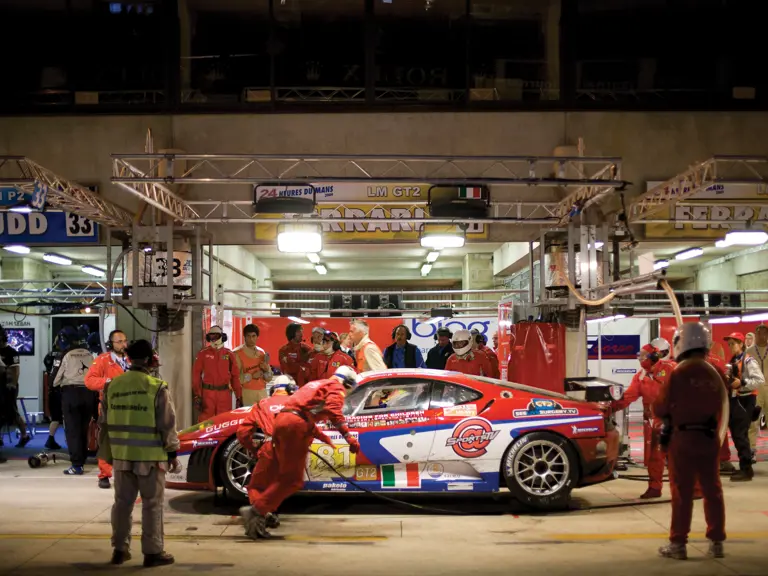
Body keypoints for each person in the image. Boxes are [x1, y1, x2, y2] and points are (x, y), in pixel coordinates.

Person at [240, 366, 361, 539]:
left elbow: (300, 411)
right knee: (292, 480)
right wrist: (348, 437)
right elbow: (334, 412)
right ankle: (256, 510)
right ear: (347, 382)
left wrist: (321, 436)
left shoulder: (316, 384)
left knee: (276, 480)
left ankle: (258, 514)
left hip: (281, 426)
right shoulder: (336, 387)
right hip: (295, 427)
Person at [100, 340, 180, 567]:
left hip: (122, 456)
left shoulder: (112, 386)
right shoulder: (156, 387)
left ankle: (119, 549)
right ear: (148, 359)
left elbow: (103, 423)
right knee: (151, 504)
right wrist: (172, 453)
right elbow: (167, 424)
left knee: (122, 504)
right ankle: (153, 552)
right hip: (150, 457)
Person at [654, 322, 727, 560]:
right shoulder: (715, 372)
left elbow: (660, 407)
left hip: (682, 439)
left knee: (682, 493)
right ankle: (716, 542)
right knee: (712, 490)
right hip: (709, 438)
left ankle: (678, 544)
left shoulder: (678, 373)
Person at [611, 342, 675, 499]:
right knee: (655, 456)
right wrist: (607, 408)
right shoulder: (640, 376)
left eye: (643, 355)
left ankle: (694, 489)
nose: (640, 358)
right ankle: (654, 488)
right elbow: (627, 397)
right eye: (639, 355)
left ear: (654, 356)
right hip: (658, 422)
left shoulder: (671, 368)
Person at [236, 374, 301, 530]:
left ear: (273, 389)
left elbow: (243, 432)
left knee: (255, 487)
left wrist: (253, 449)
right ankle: (270, 511)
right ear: (291, 389)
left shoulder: (262, 404)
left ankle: (263, 512)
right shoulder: (298, 403)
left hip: (269, 448)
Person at [85, 330, 129, 489]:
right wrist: (109, 381)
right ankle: (104, 475)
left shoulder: (131, 359)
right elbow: (89, 381)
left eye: (125, 341)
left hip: (131, 406)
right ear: (111, 344)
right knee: (106, 441)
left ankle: (127, 474)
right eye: (119, 341)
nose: (123, 344)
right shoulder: (102, 360)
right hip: (108, 406)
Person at [723, 332, 763, 481]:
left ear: (741, 344)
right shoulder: (734, 360)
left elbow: (759, 379)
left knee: (741, 435)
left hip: (746, 400)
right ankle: (744, 467)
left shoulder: (748, 360)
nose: (731, 347)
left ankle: (746, 470)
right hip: (736, 400)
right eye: (729, 344)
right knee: (737, 434)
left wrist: (743, 383)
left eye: (734, 343)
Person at [54, 331, 96, 475]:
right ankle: (82, 460)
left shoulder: (65, 355)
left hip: (71, 394)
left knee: (72, 430)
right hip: (88, 393)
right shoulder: (90, 355)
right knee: (84, 429)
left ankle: (77, 465)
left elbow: (54, 379)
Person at [192, 325, 243, 422]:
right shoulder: (203, 354)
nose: (214, 339)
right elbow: (196, 375)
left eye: (216, 336)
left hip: (224, 393)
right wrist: (197, 395)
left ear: (222, 337)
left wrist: (239, 396)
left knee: (224, 420)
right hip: (207, 393)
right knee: (205, 421)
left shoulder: (229, 354)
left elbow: (235, 377)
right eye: (211, 336)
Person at [0, 326, 32, 448]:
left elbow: (15, 371)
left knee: (12, 412)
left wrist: (11, 385)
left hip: (8, 387)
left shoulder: (11, 352)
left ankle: (24, 436)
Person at [233, 324, 272, 407]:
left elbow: (269, 378)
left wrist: (267, 370)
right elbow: (234, 379)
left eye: (253, 336)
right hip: (246, 392)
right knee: (248, 418)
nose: (251, 339)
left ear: (257, 337)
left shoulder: (262, 352)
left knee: (263, 418)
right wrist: (251, 376)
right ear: (244, 337)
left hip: (262, 392)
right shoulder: (237, 354)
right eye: (248, 336)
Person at [745, 323, 767, 464]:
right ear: (755, 334)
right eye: (758, 333)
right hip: (757, 389)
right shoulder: (749, 351)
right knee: (753, 421)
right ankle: (751, 450)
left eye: (764, 333)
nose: (761, 335)